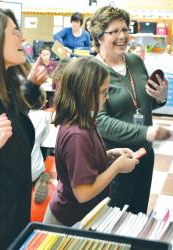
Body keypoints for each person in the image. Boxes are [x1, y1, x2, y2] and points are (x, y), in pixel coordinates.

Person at [0, 8, 47, 250]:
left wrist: (32, 87)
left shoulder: (2, 82)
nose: (23, 38)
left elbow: (7, 117)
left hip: (13, 208)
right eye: (15, 32)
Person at [90, 6, 171, 214]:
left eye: (125, 30)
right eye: (114, 31)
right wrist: (146, 132)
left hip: (144, 154)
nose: (122, 36)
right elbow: (101, 122)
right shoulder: (92, 70)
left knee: (138, 213)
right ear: (99, 36)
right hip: (115, 158)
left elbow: (143, 103)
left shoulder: (135, 61)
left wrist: (160, 97)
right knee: (114, 220)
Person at [43, 56, 139, 226]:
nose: (107, 97)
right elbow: (83, 193)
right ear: (85, 91)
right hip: (68, 221)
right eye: (103, 91)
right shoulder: (78, 135)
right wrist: (117, 167)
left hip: (77, 216)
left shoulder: (82, 120)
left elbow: (81, 163)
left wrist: (107, 156)